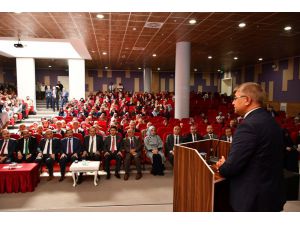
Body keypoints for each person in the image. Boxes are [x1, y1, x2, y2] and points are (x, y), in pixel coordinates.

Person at [216, 82, 286, 212]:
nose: (232, 103)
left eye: (235, 98)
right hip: (272, 195)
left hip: (253, 201)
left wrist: (223, 165)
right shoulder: (271, 121)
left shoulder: (248, 126)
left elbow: (231, 168)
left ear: (247, 100)